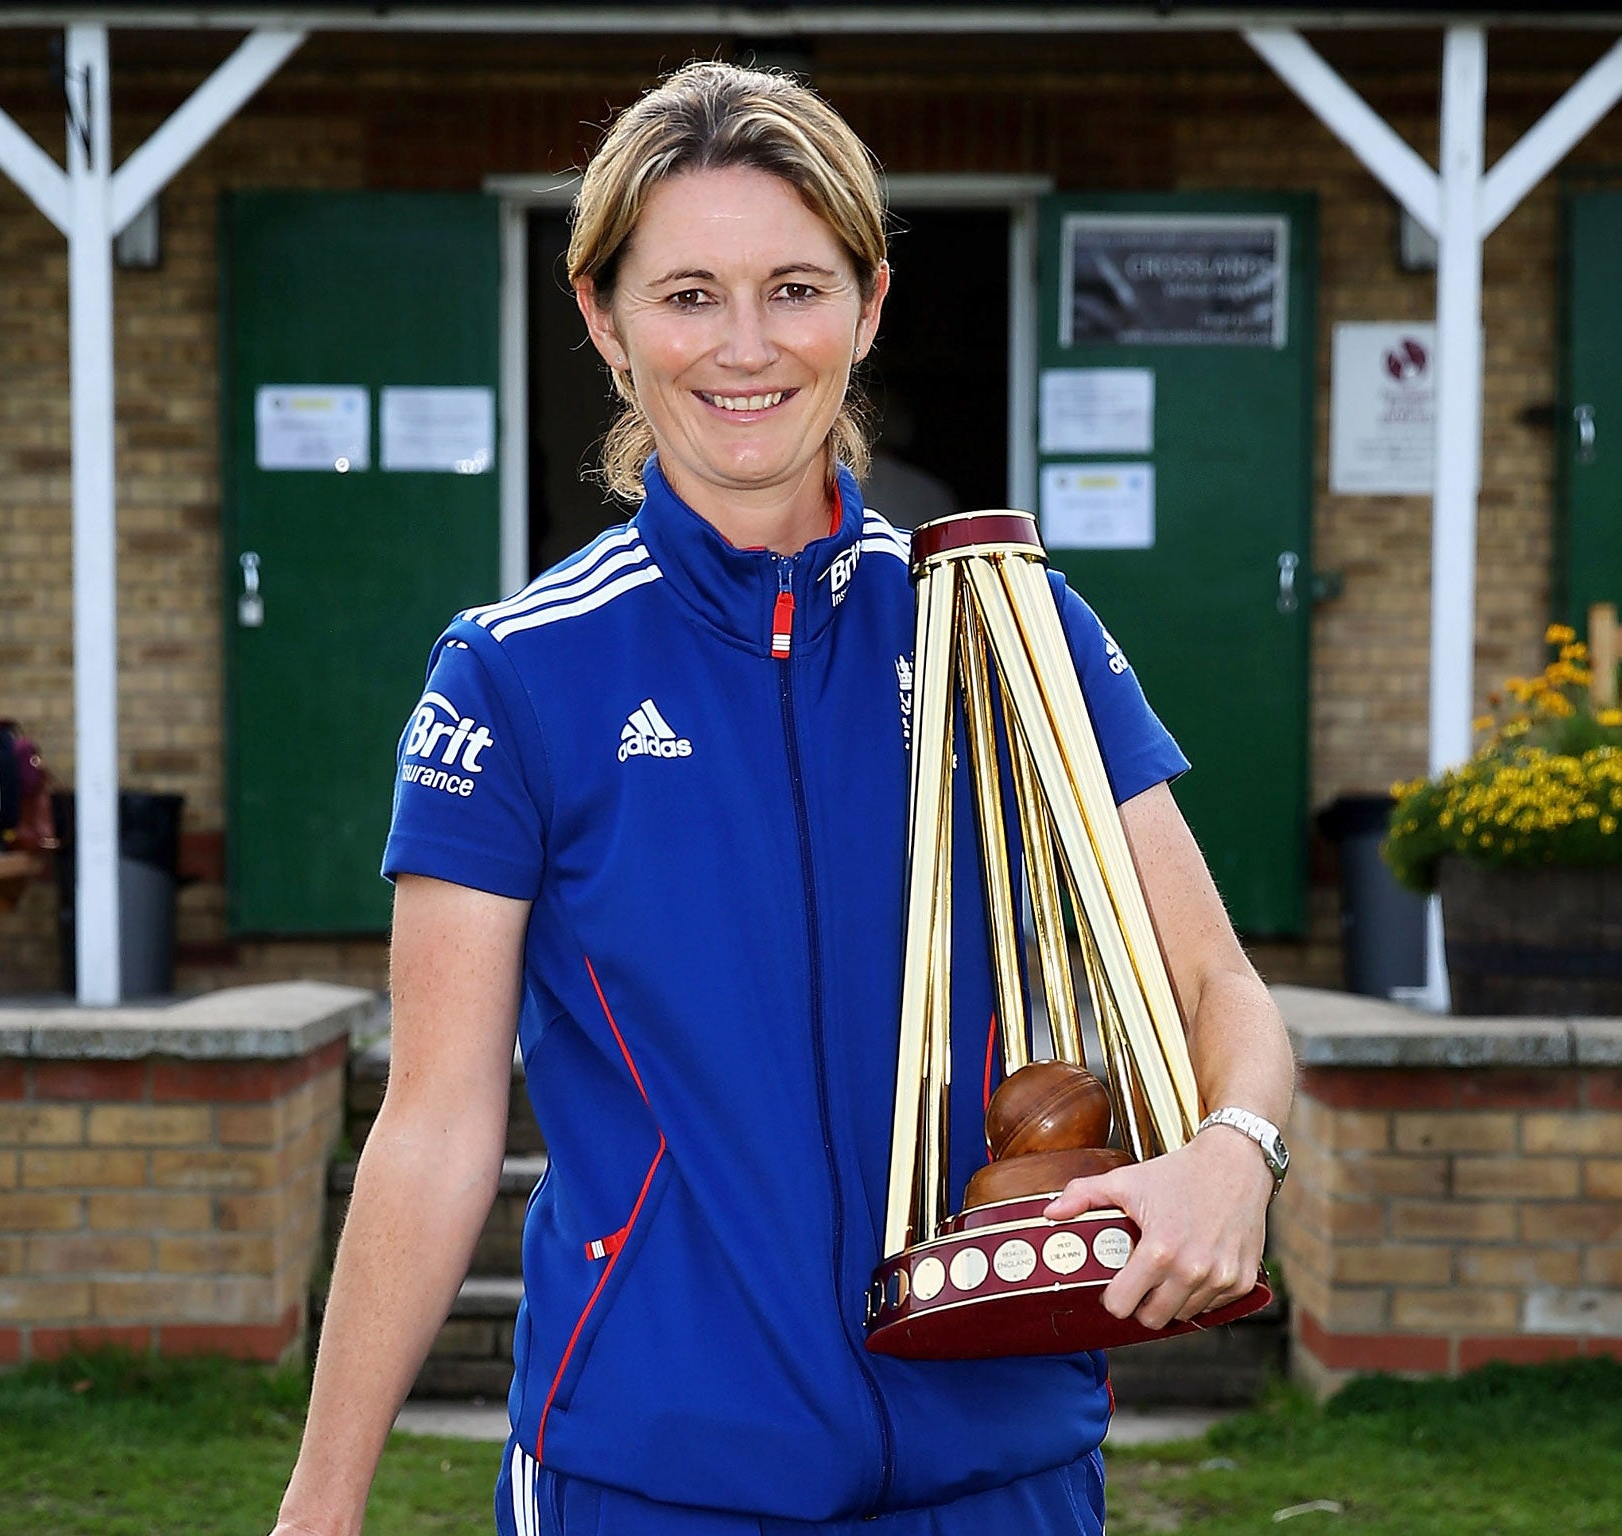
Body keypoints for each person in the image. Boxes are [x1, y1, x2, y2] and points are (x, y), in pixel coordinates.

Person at [270, 61, 1293, 1536]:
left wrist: (1232, 1152)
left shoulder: (1008, 629)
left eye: (793, 288)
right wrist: (324, 1498)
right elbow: (433, 1124)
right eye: (687, 295)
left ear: (868, 308)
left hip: (999, 1463)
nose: (743, 347)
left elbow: (1220, 989)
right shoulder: (514, 677)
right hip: (655, 1477)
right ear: (602, 320)